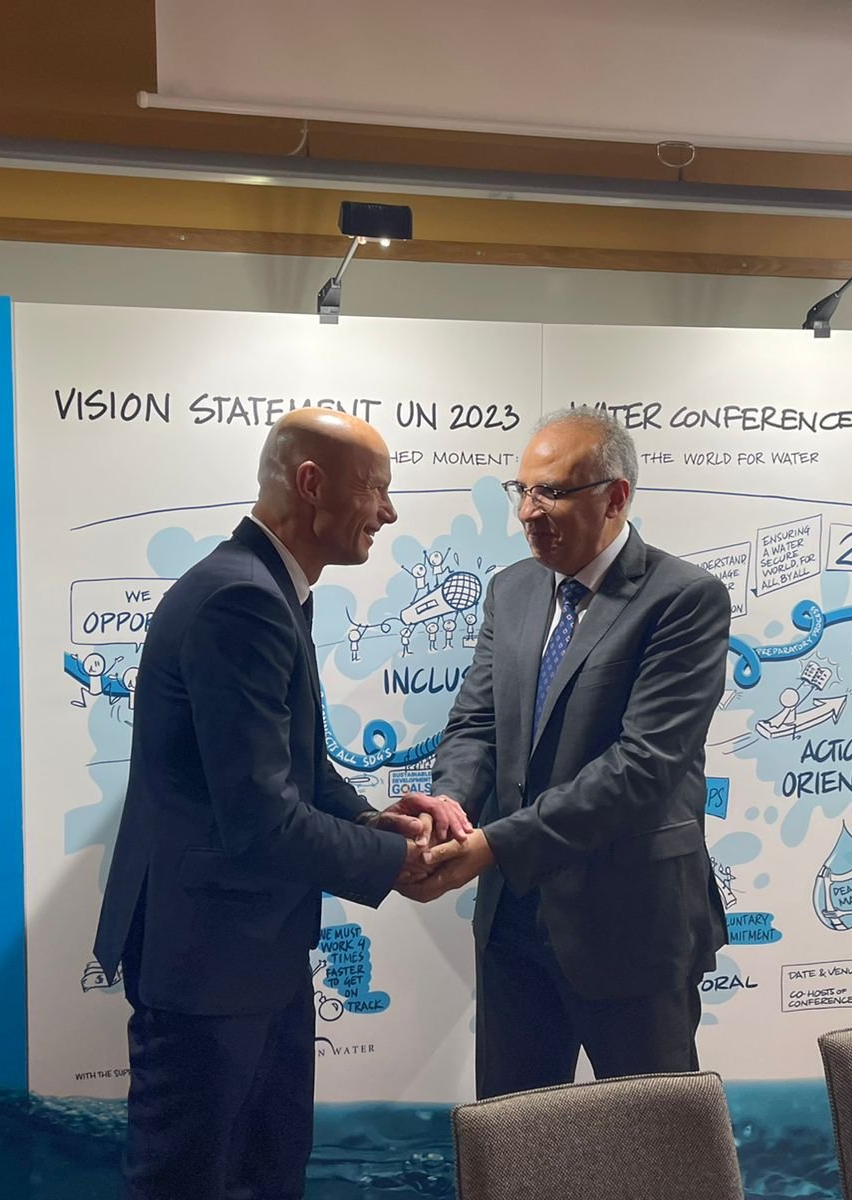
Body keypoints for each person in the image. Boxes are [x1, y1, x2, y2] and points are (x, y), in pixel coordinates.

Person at [93, 408, 468, 1200]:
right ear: (311, 484)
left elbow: (297, 768)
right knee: (190, 1183)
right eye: (375, 489)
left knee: (263, 1175)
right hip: (212, 965)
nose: (389, 512)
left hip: (241, 955)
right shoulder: (244, 599)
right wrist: (397, 860)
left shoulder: (264, 587)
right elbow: (262, 818)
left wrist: (371, 821)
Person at [407, 407, 731, 1099]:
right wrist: (450, 808)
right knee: (515, 1135)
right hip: (514, 925)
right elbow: (476, 724)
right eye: (522, 490)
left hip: (633, 926)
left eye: (552, 492)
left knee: (655, 1141)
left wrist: (494, 845)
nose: (529, 512)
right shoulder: (512, 588)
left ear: (615, 498)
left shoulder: (683, 599)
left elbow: (642, 768)